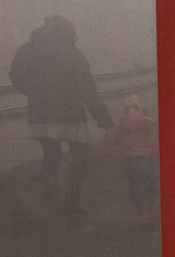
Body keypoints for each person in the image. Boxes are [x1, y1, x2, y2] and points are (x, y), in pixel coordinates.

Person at [8, 15, 112, 214]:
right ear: (67, 31)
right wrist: (104, 121)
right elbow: (88, 89)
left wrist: (31, 91)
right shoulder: (73, 53)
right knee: (80, 158)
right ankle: (71, 200)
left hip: (40, 114)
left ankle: (50, 196)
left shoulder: (27, 49)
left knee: (51, 155)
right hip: (70, 113)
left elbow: (15, 73)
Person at [104, 94, 158, 229]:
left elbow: (111, 138)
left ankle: (140, 211)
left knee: (135, 186)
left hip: (127, 161)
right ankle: (145, 217)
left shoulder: (121, 124)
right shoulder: (148, 122)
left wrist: (109, 129)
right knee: (146, 188)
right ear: (143, 110)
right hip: (144, 160)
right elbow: (154, 142)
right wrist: (153, 157)